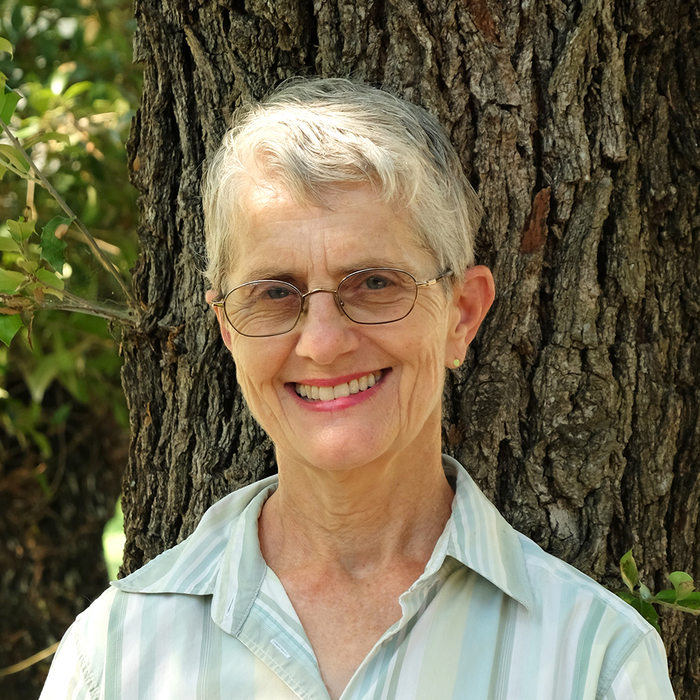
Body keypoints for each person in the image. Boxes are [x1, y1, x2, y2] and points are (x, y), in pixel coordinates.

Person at [40, 78, 676, 700]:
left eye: (374, 283)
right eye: (275, 292)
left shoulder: (595, 662)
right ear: (229, 330)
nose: (323, 343)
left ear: (461, 315)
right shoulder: (112, 660)